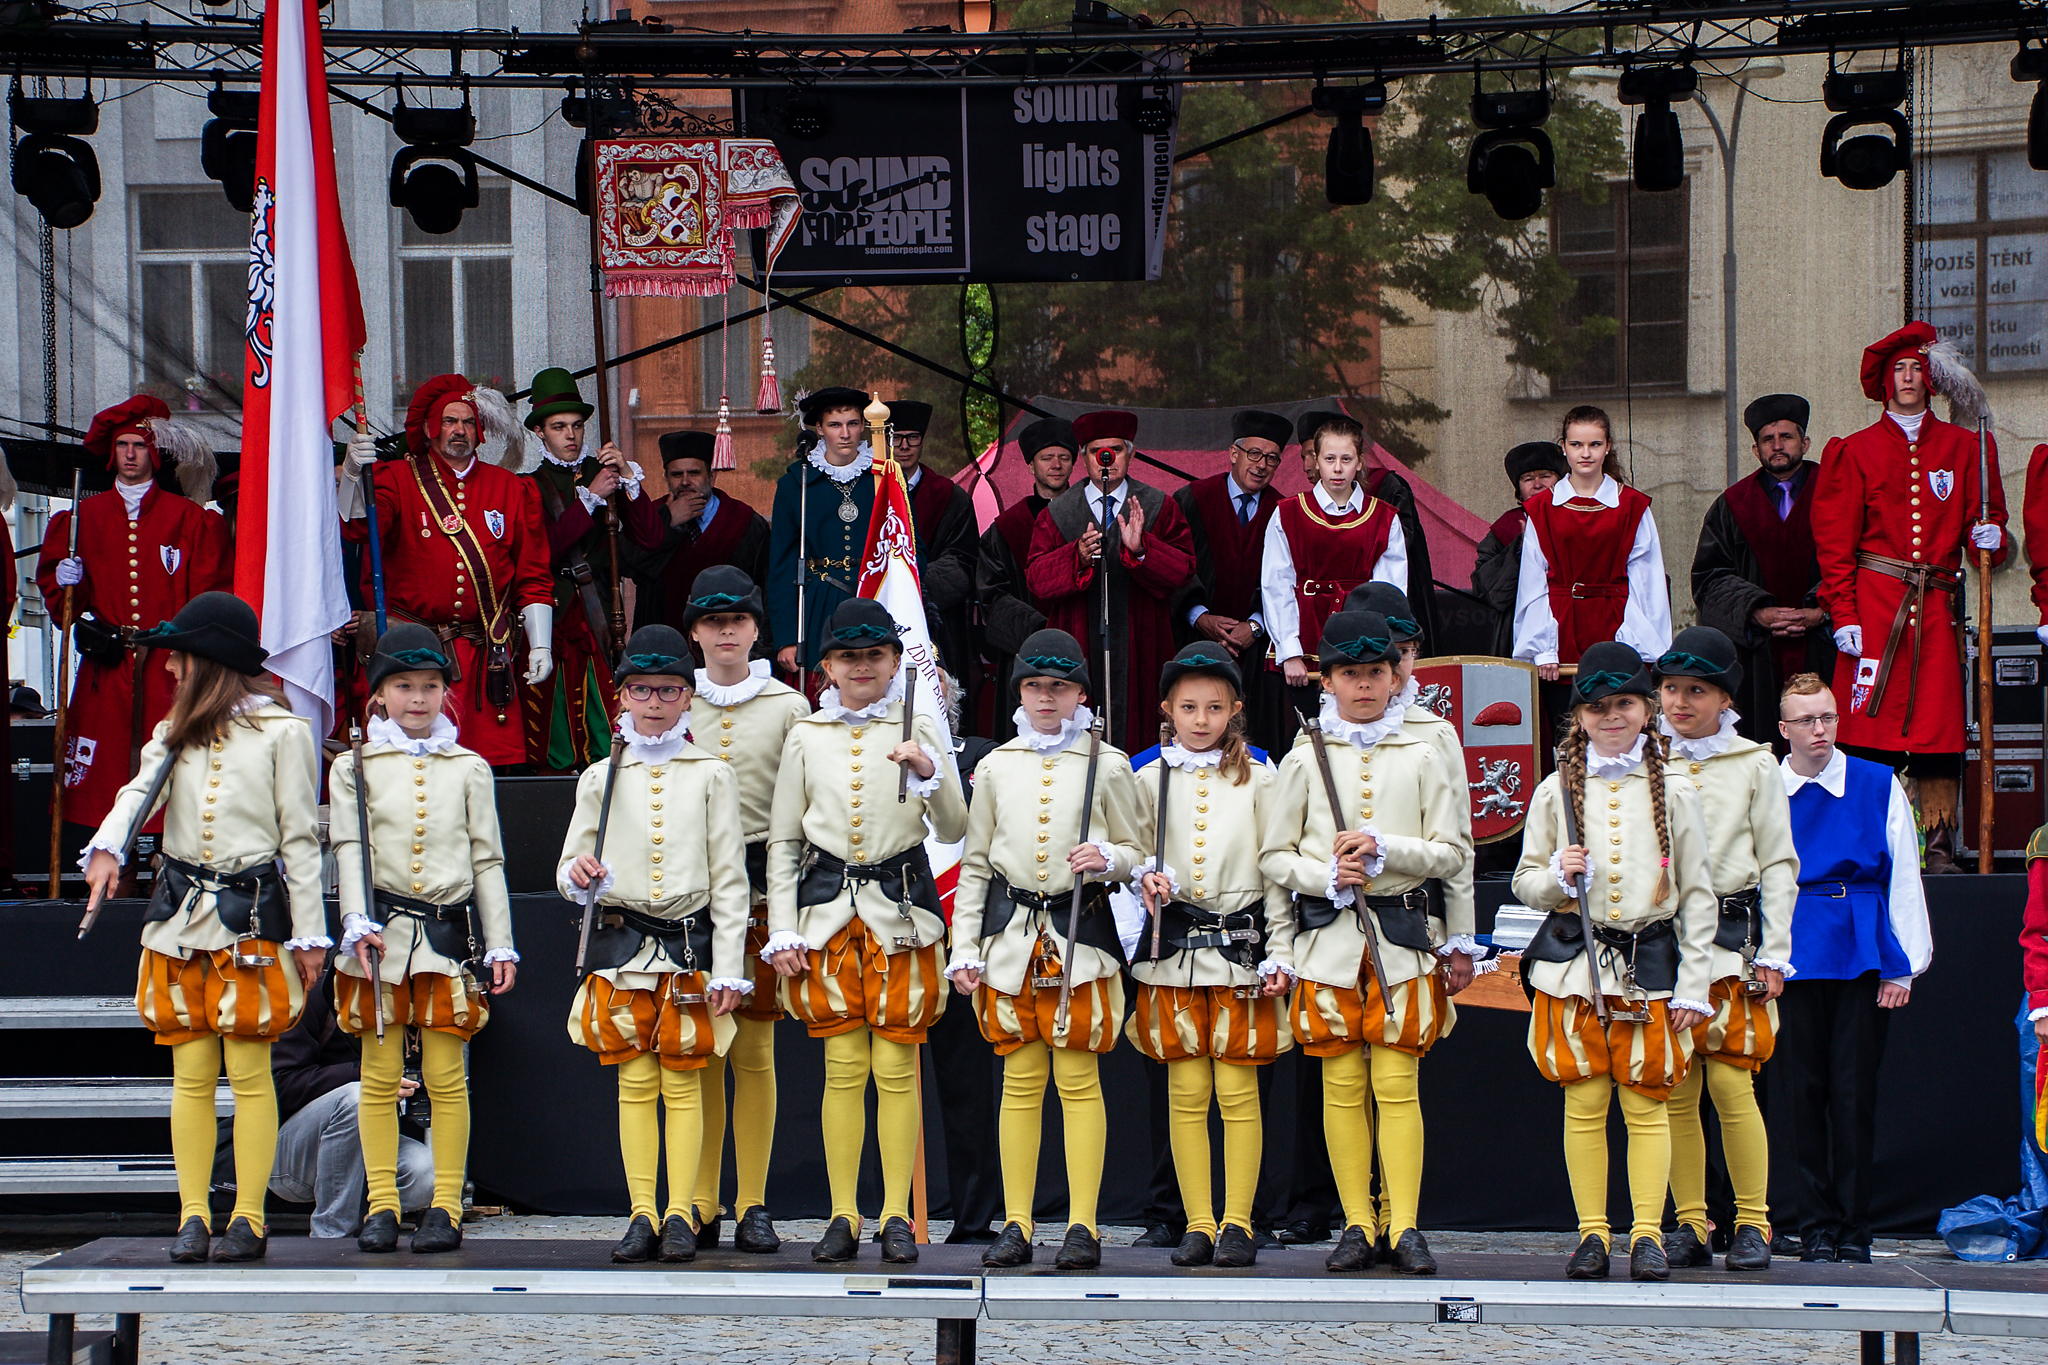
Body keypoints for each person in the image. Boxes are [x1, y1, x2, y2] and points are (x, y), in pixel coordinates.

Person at [79, 593, 328, 1264]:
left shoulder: (284, 733)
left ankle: (249, 1217)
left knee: (249, 1071)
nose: (169, 669)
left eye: (179, 657)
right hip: (178, 920)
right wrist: (107, 846)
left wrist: (309, 936)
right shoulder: (173, 731)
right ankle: (192, 1214)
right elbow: (138, 794)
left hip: (252, 921)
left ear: (208, 662)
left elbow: (301, 843)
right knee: (189, 1074)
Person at [1259, 609, 1470, 1275]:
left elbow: (1453, 852)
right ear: (1327, 680)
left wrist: (1387, 850)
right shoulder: (1304, 756)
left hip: (1403, 941)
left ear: (1394, 676)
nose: (1364, 684)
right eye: (1349, 673)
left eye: (1376, 671)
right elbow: (1274, 857)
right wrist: (1321, 878)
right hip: (1328, 944)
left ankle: (1403, 1223)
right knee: (1342, 1086)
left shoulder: (1425, 752)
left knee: (1398, 1084)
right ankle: (1356, 1221)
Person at [764, 598, 968, 1264]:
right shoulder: (806, 735)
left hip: (900, 915)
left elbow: (957, 826)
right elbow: (784, 839)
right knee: (843, 1069)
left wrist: (929, 773)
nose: (861, 667)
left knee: (897, 1068)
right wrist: (784, 927)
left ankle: (896, 1215)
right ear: (827, 666)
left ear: (894, 661)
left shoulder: (919, 727)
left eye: (874, 655)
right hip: (827, 918)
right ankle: (843, 1212)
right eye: (848, 657)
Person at [1512, 641, 1716, 1282]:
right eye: (1597, 707)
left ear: (1646, 709)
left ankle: (1648, 1234)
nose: (1611, 716)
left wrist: (1695, 984)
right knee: (1585, 1103)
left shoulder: (1675, 789)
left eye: (1624, 703)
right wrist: (1555, 875)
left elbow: (1698, 895)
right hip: (1576, 967)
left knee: (1648, 1103)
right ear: (1579, 717)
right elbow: (1523, 883)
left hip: (1650, 964)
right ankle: (1593, 1234)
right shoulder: (1554, 791)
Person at [947, 631, 1144, 1271]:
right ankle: (1017, 1223)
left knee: (1079, 1081)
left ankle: (1083, 1225)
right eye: (1034, 686)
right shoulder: (996, 766)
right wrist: (964, 946)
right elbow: (976, 865)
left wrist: (1110, 857)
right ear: (1020, 692)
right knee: (1020, 1083)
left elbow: (1140, 851)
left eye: (1059, 687)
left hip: (1079, 937)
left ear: (1080, 694)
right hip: (1010, 939)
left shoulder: (1108, 764)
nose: (1046, 698)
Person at [561, 625, 753, 1264]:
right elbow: (568, 866)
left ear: (687, 698)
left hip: (688, 948)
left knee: (684, 1079)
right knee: (635, 1083)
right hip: (622, 951)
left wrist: (729, 967)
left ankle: (680, 1213)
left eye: (668, 690)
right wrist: (578, 874)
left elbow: (730, 880)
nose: (654, 702)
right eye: (641, 690)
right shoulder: (600, 777)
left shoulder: (712, 774)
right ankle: (641, 1211)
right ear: (621, 697)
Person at [328, 624, 520, 1254]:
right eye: (404, 686)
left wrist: (499, 942)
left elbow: (487, 860)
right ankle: (382, 1203)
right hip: (380, 938)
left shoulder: (469, 767)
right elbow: (349, 847)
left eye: (430, 686)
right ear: (379, 695)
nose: (418, 698)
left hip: (444, 938)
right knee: (380, 1076)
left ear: (445, 693)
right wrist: (356, 920)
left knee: (446, 1076)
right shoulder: (353, 766)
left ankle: (446, 1204)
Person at [1810, 322, 2008, 874]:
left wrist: (1990, 537)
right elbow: (1835, 545)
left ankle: (1938, 847)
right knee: (1866, 729)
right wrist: (1843, 613)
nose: (1907, 377)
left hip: (1937, 610)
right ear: (1883, 380)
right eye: (1898, 368)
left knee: (1938, 729)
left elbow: (1986, 536)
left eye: (1917, 368)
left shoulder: (1966, 447)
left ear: (1933, 378)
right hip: (1875, 609)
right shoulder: (1853, 451)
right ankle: (1868, 842)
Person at [1127, 644, 1292, 1268]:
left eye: (1215, 708)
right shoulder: (1146, 778)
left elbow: (1278, 874)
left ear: (1236, 710)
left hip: (1241, 950)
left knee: (1239, 1091)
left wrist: (1280, 950)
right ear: (1167, 709)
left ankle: (1239, 1221)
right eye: (1190, 707)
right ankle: (1197, 1222)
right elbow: (1127, 852)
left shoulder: (1263, 777)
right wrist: (1141, 878)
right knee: (1186, 1091)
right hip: (1171, 953)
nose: (1201, 720)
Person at [1653, 627, 1797, 1274]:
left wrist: (1774, 951)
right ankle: (1691, 1221)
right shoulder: (1644, 758)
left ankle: (1753, 1222)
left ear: (1724, 698)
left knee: (1733, 1083)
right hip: (1663, 942)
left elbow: (1779, 863)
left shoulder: (1753, 763)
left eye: (1697, 690)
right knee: (1675, 1087)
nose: (1680, 702)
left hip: (1732, 940)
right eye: (1671, 689)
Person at [1776, 672, 1931, 1264]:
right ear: (1784, 728)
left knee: (1853, 1093)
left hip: (1861, 947)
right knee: (1801, 1094)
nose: (1820, 729)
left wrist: (1902, 967)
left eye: (1828, 717)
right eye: (1807, 720)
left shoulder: (1875, 781)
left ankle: (1854, 1229)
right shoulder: (1766, 786)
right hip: (1791, 949)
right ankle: (1814, 1227)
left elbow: (1905, 876)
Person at [681, 568, 810, 1252]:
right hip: (692, 894)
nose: (726, 631)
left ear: (757, 628)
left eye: (737, 619)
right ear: (695, 633)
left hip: (762, 889)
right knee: (701, 1048)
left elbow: (800, 807)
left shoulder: (789, 706)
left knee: (755, 1049)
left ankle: (753, 1201)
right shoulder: (675, 701)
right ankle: (699, 1201)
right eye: (712, 620)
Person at [38, 396, 229, 847]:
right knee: (105, 780)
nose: (129, 454)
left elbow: (211, 600)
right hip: (105, 672)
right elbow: (64, 609)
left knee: (179, 774)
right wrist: (66, 583)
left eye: (139, 446)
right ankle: (113, 866)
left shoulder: (190, 519)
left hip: (170, 672)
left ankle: (170, 864)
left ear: (154, 453)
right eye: (122, 445)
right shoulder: (80, 520)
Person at [338, 374, 553, 769]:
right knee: (412, 767)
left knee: (486, 771)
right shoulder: (397, 479)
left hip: (485, 658)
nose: (459, 430)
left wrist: (541, 645)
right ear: (428, 428)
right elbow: (358, 528)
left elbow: (533, 575)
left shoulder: (511, 488)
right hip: (413, 655)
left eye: (468, 422)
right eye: (449, 421)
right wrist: (352, 475)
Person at [1024, 409, 1199, 755]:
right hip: (1080, 637)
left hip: (1143, 640)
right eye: (1097, 451)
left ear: (1130, 454)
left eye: (1116, 450)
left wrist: (1142, 549)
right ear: (1084, 457)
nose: (1107, 459)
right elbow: (1037, 580)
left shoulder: (1158, 506)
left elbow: (1184, 571)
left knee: (1142, 734)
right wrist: (1076, 557)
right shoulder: (1058, 512)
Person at [519, 368, 667, 771]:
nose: (571, 435)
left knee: (606, 718)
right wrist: (589, 499)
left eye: (577, 425)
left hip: (599, 611)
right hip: (552, 615)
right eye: (559, 427)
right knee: (554, 723)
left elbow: (652, 538)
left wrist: (629, 480)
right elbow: (542, 551)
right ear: (539, 432)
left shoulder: (605, 473)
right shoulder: (529, 486)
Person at [1691, 394, 1833, 751]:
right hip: (1758, 659)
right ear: (1756, 450)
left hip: (1825, 648)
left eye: (1786, 437)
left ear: (1805, 442)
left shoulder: (1837, 492)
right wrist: (1756, 611)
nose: (1777, 445)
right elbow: (1709, 579)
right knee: (1761, 748)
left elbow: (1862, 561)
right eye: (1768, 439)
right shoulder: (1732, 505)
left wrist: (1823, 609)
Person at [1262, 412, 1407, 743]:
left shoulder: (1384, 518)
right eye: (1329, 459)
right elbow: (1276, 584)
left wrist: (1380, 649)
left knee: (1364, 734)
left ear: (1360, 462)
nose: (1337, 468)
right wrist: (1290, 651)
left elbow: (1390, 594)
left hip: (1363, 637)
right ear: (1316, 460)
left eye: (1346, 459)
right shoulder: (1288, 513)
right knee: (1307, 738)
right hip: (1305, 635)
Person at [266, 957, 433, 1239]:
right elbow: (281, 1085)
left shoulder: (414, 1004)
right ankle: (331, 1237)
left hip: (371, 1150)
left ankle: (373, 1220)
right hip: (292, 1157)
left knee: (424, 1172)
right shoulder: (312, 992)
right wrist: (365, 1076)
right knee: (360, 1097)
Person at [1513, 405, 1673, 679]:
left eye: (1594, 444)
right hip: (1560, 632)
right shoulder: (1542, 509)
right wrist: (1543, 649)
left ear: (1607, 446)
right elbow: (1533, 583)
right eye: (1576, 444)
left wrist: (1639, 646)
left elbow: (1647, 583)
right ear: (1564, 447)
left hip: (1618, 627)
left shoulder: (1632, 507)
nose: (1585, 453)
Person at [1175, 411, 1287, 752]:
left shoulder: (1284, 511)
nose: (1261, 465)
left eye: (1271, 458)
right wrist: (1199, 617)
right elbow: (1174, 566)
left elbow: (1288, 581)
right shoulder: (1191, 499)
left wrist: (1255, 625)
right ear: (1233, 454)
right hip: (1194, 642)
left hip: (1257, 654)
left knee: (1254, 739)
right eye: (1254, 454)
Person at [1291, 410, 1442, 656]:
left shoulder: (1386, 489)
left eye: (1312, 454)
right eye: (1306, 456)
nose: (1307, 465)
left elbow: (1399, 547)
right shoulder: (1297, 510)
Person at [768, 388, 879, 682]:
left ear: (863, 425)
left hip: (876, 594)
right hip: (819, 599)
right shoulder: (797, 482)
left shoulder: (884, 476)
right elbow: (782, 564)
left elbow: (911, 545)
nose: (845, 434)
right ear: (819, 429)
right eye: (834, 425)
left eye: (852, 423)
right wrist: (787, 637)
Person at [979, 417, 1078, 740]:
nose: (1056, 465)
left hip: (1083, 646)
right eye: (1047, 458)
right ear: (1031, 466)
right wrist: (1042, 631)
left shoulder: (1090, 518)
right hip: (1025, 651)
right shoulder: (1006, 528)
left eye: (1064, 457)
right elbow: (991, 596)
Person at [888, 401, 981, 725]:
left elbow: (964, 561)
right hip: (882, 614)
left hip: (938, 621)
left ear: (922, 441)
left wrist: (912, 587)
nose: (904, 446)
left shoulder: (951, 497)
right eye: (896, 438)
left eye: (912, 438)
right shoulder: (869, 493)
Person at [630, 430, 773, 636]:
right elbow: (629, 566)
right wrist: (667, 522)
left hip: (729, 642)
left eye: (694, 473)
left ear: (712, 476)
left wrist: (761, 649)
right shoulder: (649, 518)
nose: (685, 481)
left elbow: (765, 592)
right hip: (662, 644)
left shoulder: (745, 523)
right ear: (666, 477)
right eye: (676, 474)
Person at [1471, 442, 1567, 657]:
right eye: (1528, 479)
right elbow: (1486, 589)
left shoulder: (1581, 518)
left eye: (1545, 476)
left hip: (1568, 623)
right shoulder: (1506, 527)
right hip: (1517, 632)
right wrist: (1519, 548)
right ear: (1519, 490)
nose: (1537, 484)